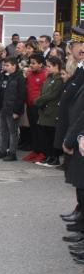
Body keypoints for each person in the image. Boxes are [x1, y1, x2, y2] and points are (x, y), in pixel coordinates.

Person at [56, 30, 84, 231]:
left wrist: (73, 137)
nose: (75, 49)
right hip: (76, 132)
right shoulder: (79, 69)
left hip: (79, 134)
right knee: (78, 180)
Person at [0, 57, 27, 161]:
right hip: (3, 107)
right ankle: (2, 150)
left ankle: (12, 153)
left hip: (12, 109)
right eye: (4, 65)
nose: (5, 67)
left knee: (13, 131)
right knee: (2, 130)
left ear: (14, 66)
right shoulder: (4, 76)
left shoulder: (19, 77)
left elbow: (21, 95)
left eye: (7, 65)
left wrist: (17, 111)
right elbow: (0, 93)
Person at [34, 56, 64, 167]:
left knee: (52, 136)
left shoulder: (59, 79)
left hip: (52, 111)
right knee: (45, 135)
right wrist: (40, 100)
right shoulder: (49, 78)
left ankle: (54, 157)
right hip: (44, 110)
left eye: (49, 66)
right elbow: (43, 91)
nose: (47, 68)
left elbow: (53, 94)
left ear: (56, 66)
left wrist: (38, 100)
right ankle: (48, 156)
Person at [22, 53, 47, 163]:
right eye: (30, 63)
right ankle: (35, 151)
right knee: (33, 130)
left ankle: (42, 153)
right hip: (30, 106)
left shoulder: (45, 75)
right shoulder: (30, 74)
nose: (31, 65)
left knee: (40, 131)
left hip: (39, 107)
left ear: (41, 64)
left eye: (33, 63)